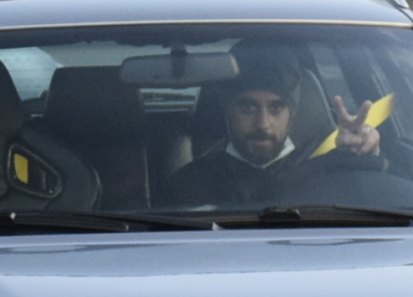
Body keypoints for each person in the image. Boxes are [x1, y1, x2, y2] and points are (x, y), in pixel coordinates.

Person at [164, 56, 383, 207]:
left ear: (292, 113)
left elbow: (391, 193)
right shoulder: (189, 184)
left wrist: (362, 151)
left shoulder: (327, 167)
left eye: (276, 108)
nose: (263, 124)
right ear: (227, 111)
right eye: (248, 108)